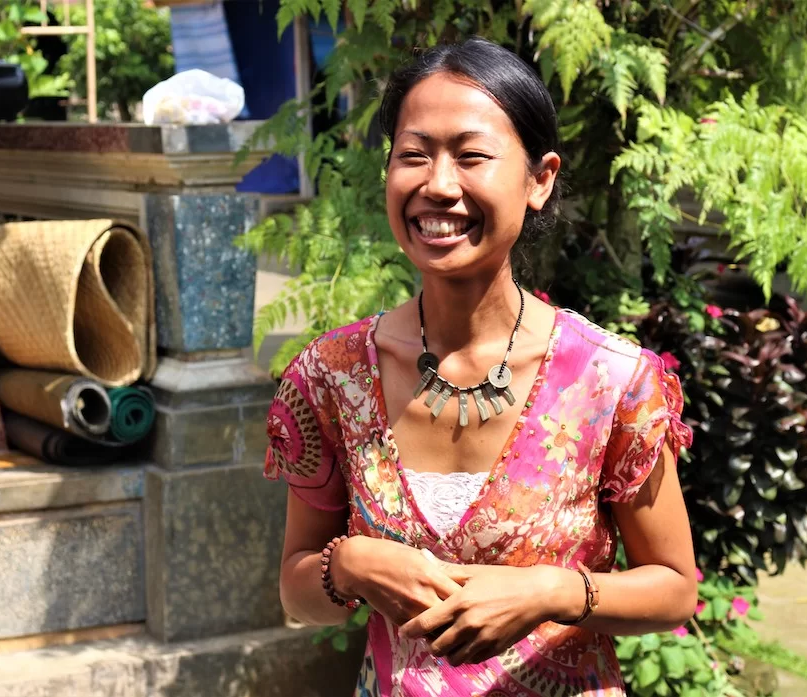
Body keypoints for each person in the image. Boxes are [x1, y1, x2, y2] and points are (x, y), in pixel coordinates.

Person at [264, 36, 698, 696]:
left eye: (471, 157)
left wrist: (551, 590)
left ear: (540, 179)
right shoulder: (331, 379)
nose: (438, 185)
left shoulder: (611, 381)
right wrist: (347, 565)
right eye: (412, 155)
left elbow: (674, 589)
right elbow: (299, 593)